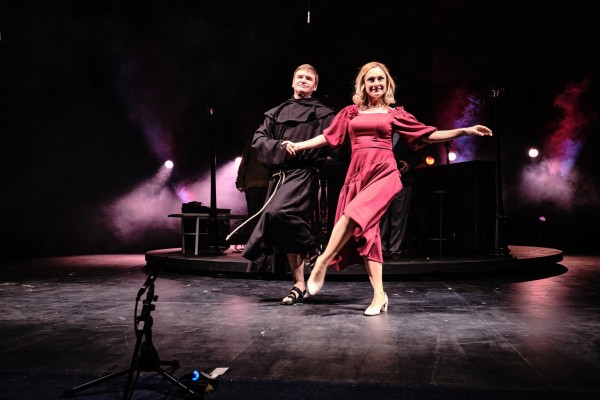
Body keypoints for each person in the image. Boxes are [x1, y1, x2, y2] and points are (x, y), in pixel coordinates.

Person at [283, 61, 492, 315]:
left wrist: (465, 130)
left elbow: (427, 135)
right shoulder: (350, 113)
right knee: (368, 234)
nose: (376, 83)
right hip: (358, 175)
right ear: (363, 84)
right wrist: (299, 145)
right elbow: (328, 137)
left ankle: (323, 261)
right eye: (370, 79)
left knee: (353, 213)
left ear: (387, 83)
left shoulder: (394, 114)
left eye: (380, 79)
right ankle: (379, 296)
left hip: (384, 173)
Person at [242, 63, 336, 305]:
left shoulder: (324, 114)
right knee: (285, 228)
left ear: (315, 86)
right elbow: (259, 140)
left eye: (308, 78)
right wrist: (280, 146)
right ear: (292, 82)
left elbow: (335, 141)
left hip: (305, 174)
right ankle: (299, 285)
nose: (303, 80)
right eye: (299, 77)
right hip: (279, 176)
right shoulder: (277, 112)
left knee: (278, 213)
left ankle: (314, 249)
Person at [380, 135, 423, 259]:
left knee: (398, 218)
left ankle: (395, 250)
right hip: (382, 180)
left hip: (403, 181)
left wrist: (409, 165)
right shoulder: (381, 133)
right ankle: (381, 248)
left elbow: (419, 155)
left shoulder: (407, 134)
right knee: (381, 217)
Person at [235, 136, 271, 242]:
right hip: (265, 185)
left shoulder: (251, 142)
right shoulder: (271, 142)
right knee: (266, 217)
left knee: (254, 217)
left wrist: (240, 182)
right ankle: (265, 245)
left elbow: (243, 163)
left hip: (252, 185)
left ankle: (255, 245)